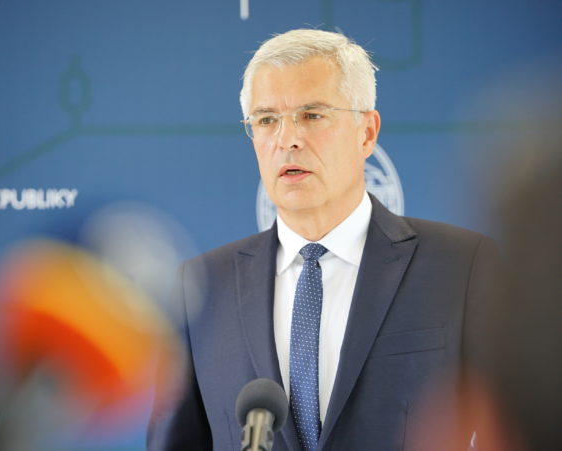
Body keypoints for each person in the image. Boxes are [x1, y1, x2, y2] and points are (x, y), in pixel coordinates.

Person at [147, 29, 498, 450]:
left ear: (366, 132)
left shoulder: (462, 267)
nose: (287, 139)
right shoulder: (200, 288)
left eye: (312, 115)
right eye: (266, 120)